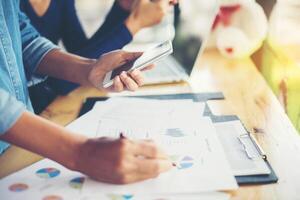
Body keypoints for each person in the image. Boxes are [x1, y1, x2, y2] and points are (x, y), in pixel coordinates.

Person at [0, 0, 172, 184]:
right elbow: (59, 82)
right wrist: (80, 152)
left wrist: (90, 69)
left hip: (20, 141)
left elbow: (20, 37)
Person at [21, 0, 177, 113]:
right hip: (32, 112)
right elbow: (60, 81)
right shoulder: (12, 7)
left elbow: (82, 54)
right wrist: (134, 23)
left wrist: (122, 8)